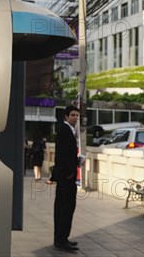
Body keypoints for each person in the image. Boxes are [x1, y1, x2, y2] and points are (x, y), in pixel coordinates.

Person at [52, 105, 80, 252]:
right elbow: (62, 154)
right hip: (66, 177)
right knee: (66, 208)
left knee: (63, 208)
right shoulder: (65, 130)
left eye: (77, 115)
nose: (75, 117)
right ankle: (61, 240)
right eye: (73, 115)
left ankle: (61, 238)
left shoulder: (69, 130)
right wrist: (69, 172)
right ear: (66, 116)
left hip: (66, 176)